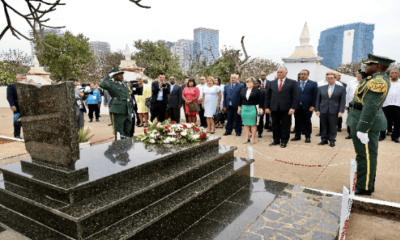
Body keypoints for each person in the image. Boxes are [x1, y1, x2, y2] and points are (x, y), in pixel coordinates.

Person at [347, 54, 394, 195]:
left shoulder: (378, 81)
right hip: (360, 119)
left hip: (365, 123)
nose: (365, 67)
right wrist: (364, 71)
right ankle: (366, 183)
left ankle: (364, 187)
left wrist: (363, 128)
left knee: (366, 156)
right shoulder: (373, 78)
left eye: (369, 65)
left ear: (378, 67)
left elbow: (370, 107)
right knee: (364, 155)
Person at [265, 67, 299, 148]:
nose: (279, 73)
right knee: (275, 125)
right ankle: (276, 140)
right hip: (274, 107)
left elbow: (295, 96)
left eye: (281, 72)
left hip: (286, 108)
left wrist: (293, 107)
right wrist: (266, 107)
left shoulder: (292, 82)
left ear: (286, 73)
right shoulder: (272, 83)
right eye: (278, 72)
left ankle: (284, 141)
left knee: (285, 126)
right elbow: (267, 96)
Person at [99, 67, 135, 139]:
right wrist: (109, 75)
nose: (121, 75)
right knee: (119, 132)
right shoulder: (112, 84)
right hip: (118, 110)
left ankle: (126, 147)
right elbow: (102, 84)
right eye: (119, 74)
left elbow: (128, 98)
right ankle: (119, 148)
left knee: (127, 131)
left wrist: (131, 111)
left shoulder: (125, 84)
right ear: (114, 76)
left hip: (127, 110)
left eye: (122, 74)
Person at [315, 73, 346, 147]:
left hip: (334, 110)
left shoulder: (341, 88)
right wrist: (317, 109)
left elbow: (342, 101)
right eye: (328, 78)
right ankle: (324, 139)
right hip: (323, 109)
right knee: (323, 125)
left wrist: (341, 111)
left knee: (332, 126)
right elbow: (318, 100)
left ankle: (332, 140)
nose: (329, 79)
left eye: (331, 78)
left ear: (335, 78)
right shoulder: (321, 88)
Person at [291, 69, 318, 143]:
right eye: (301, 74)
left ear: (308, 75)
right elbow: (292, 95)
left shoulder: (313, 84)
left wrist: (313, 105)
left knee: (307, 122)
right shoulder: (295, 84)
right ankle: (297, 135)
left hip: (308, 107)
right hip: (297, 107)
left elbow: (315, 96)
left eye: (304, 74)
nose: (303, 75)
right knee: (297, 121)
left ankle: (308, 136)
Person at [238, 78, 264, 144]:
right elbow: (239, 100)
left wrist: (261, 109)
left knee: (253, 124)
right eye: (247, 82)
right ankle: (247, 138)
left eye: (250, 82)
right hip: (244, 109)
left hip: (253, 108)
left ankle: (253, 139)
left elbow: (261, 100)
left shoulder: (257, 91)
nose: (248, 83)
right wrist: (239, 108)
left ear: (253, 83)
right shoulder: (243, 90)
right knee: (245, 124)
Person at [379, 68, 400, 142]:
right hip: (386, 105)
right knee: (383, 121)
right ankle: (382, 135)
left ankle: (395, 137)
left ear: (399, 74)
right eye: (392, 73)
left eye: (396, 72)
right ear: (390, 74)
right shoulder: (385, 82)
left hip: (398, 105)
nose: (394, 74)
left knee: (398, 122)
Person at [345, 70, 364, 139]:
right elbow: (347, 94)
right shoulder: (351, 82)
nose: (359, 75)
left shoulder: (366, 83)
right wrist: (346, 104)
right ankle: (350, 134)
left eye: (361, 74)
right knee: (351, 119)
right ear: (356, 74)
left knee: (361, 120)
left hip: (362, 105)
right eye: (358, 73)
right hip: (352, 104)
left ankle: (360, 134)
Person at [6, 74, 26, 139]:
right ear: (17, 79)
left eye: (24, 78)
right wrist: (12, 105)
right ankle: (17, 135)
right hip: (17, 106)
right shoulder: (11, 86)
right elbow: (9, 96)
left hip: (26, 106)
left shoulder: (27, 86)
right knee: (17, 120)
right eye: (21, 78)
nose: (23, 79)